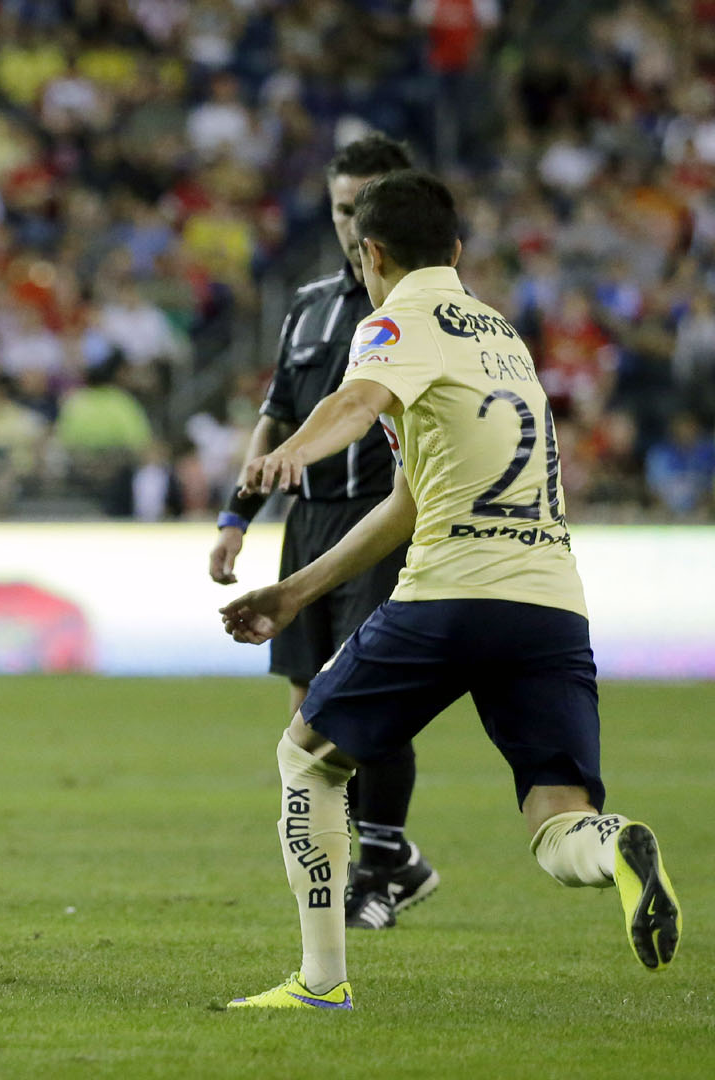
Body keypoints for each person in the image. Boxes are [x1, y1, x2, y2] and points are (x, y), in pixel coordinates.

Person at [219, 170, 680, 1009]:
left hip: (453, 591)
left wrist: (297, 452)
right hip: (551, 603)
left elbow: (355, 402)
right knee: (556, 816)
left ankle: (321, 985)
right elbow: (408, 500)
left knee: (308, 759)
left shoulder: (398, 318)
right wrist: (295, 591)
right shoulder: (500, 333)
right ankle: (613, 846)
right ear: (457, 251)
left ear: (371, 253)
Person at [208, 133, 440, 931]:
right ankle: (353, 869)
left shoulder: (417, 311)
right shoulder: (308, 308)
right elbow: (276, 414)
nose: (352, 223)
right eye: (343, 206)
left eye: (366, 207)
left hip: (383, 521)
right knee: (311, 704)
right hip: (308, 523)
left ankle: (380, 864)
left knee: (362, 701)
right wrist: (238, 515)